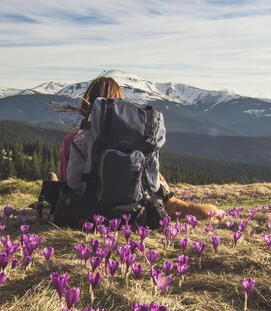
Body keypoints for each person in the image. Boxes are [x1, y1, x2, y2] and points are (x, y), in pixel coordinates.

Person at [58, 76, 222, 220]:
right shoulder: (139, 139)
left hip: (89, 209)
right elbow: (152, 183)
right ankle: (179, 204)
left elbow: (68, 185)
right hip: (137, 209)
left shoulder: (73, 140)